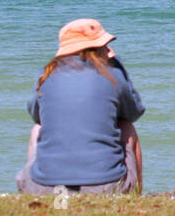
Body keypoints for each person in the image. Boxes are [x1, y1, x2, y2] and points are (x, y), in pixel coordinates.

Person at [16, 18, 145, 195]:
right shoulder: (113, 72)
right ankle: (136, 194)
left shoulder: (45, 74)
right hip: (106, 187)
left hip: (44, 188)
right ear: (98, 48)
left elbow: (36, 115)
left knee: (37, 129)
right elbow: (134, 112)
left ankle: (36, 187)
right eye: (104, 45)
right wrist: (117, 64)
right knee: (126, 127)